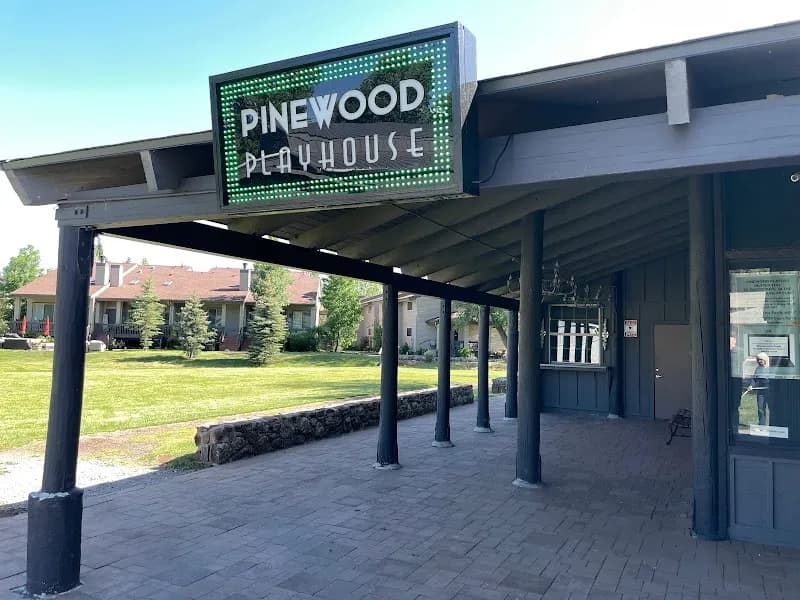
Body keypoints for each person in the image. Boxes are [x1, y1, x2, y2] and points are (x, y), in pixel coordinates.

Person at [747, 352, 770, 425]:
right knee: (760, 409)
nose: (759, 361)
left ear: (765, 360)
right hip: (761, 391)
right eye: (758, 360)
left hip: (770, 391)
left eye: (761, 359)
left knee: (772, 409)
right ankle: (762, 425)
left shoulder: (771, 368)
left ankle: (773, 426)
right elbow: (755, 379)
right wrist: (751, 385)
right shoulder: (758, 368)